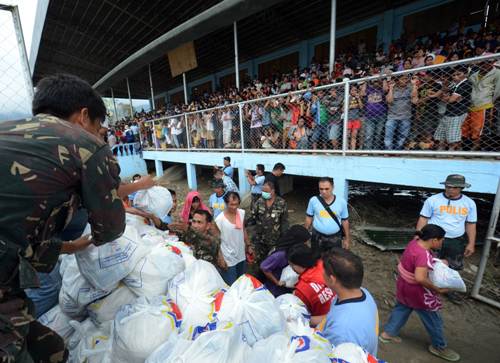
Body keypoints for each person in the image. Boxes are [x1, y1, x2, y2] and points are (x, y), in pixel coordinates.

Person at [0, 73, 126, 362]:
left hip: (9, 277)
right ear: (83, 116)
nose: (98, 135)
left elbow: (18, 227)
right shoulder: (85, 144)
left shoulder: (9, 130)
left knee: (52, 349)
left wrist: (71, 246)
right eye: (98, 127)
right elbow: (110, 228)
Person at [379, 225, 460, 362]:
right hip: (418, 293)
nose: (442, 243)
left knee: (402, 308)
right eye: (441, 240)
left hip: (404, 285)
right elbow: (420, 278)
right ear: (434, 240)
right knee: (434, 319)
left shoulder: (414, 242)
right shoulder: (423, 254)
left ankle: (387, 334)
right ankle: (439, 346)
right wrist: (437, 289)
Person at [416, 174, 476, 303]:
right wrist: (419, 235)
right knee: (428, 262)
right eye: (448, 187)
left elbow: (470, 224)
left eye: (454, 187)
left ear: (461, 188)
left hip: (456, 239)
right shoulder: (433, 200)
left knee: (452, 265)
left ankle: (449, 289)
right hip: (434, 238)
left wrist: (471, 243)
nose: (450, 190)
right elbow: (423, 218)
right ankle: (425, 285)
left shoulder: (469, 203)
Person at [321, 248, 379, 356]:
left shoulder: (342, 333)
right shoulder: (363, 293)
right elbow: (332, 317)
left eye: (322, 270)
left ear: (332, 279)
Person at [288, 244, 334, 327]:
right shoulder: (324, 264)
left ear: (299, 263)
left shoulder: (302, 289)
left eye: (292, 265)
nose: (292, 269)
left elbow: (300, 313)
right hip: (339, 309)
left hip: (322, 324)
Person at [260, 225, 311, 297]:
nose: (306, 245)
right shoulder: (280, 255)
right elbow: (264, 267)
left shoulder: (293, 251)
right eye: (304, 242)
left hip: (288, 284)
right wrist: (277, 282)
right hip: (276, 289)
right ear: (297, 241)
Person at [247, 181, 289, 265]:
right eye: (263, 191)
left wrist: (284, 239)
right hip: (259, 239)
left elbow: (284, 222)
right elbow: (253, 217)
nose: (264, 193)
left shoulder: (281, 203)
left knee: (271, 262)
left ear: (273, 191)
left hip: (274, 240)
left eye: (266, 191)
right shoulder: (259, 202)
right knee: (258, 262)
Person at [305, 177, 351, 252]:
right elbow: (309, 217)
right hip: (317, 236)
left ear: (333, 187)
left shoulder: (341, 202)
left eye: (327, 189)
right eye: (321, 189)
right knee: (316, 258)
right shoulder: (313, 200)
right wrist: (305, 235)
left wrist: (347, 239)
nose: (324, 192)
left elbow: (345, 221)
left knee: (334, 259)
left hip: (335, 238)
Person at [215, 192, 252, 285]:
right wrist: (220, 258)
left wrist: (248, 245)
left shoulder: (241, 213)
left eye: (236, 204)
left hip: (240, 254)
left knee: (241, 282)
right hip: (228, 257)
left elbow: (243, 229)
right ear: (226, 204)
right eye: (231, 204)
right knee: (231, 285)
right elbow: (216, 241)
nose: (234, 207)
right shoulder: (220, 220)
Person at [434, 66, 472, 150]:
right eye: (454, 75)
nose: (455, 76)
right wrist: (448, 97)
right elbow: (443, 96)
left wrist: (448, 98)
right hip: (449, 113)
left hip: (457, 114)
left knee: (453, 138)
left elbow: (450, 100)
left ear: (465, 74)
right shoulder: (455, 85)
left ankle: (452, 154)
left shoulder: (466, 84)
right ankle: (441, 153)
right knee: (441, 136)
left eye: (458, 74)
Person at [384, 75, 419, 150]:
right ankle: (388, 151)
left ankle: (398, 150)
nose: (405, 80)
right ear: (398, 80)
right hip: (392, 116)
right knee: (388, 135)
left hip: (405, 116)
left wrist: (414, 85)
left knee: (403, 136)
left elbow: (414, 100)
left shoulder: (410, 88)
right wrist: (391, 88)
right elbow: (389, 101)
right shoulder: (393, 89)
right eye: (402, 79)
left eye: (406, 79)